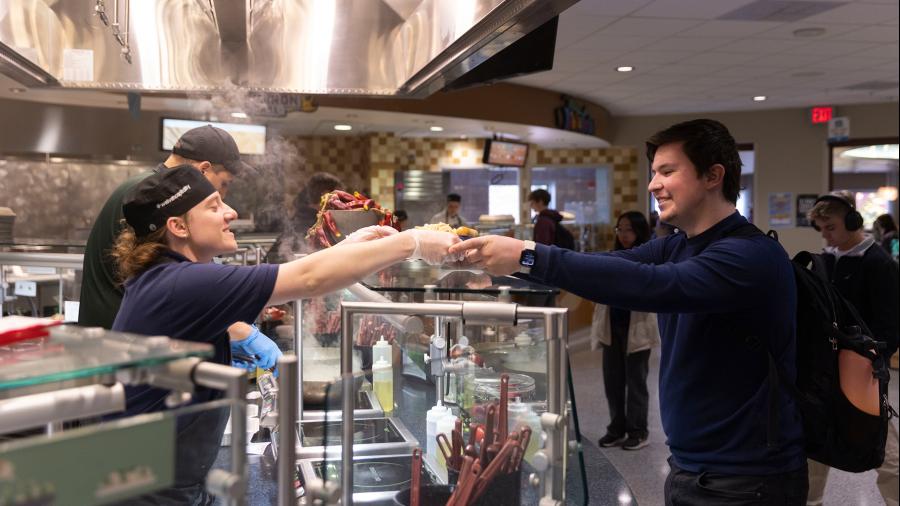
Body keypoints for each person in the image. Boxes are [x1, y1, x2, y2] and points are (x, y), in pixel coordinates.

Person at [450, 119, 808, 504]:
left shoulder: (751, 256)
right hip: (692, 466)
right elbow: (607, 268)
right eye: (654, 172)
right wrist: (497, 258)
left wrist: (528, 255)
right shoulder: (678, 245)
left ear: (713, 176)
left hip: (747, 479)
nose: (653, 184)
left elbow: (653, 286)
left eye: (668, 171)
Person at [109, 167, 460, 504]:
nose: (230, 213)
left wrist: (346, 247)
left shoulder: (167, 278)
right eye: (214, 207)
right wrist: (413, 243)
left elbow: (306, 273)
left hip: (163, 483)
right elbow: (307, 279)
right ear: (177, 226)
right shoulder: (182, 284)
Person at [79, 124, 248, 330]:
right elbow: (173, 283)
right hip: (122, 341)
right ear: (203, 170)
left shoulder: (152, 189)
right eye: (224, 184)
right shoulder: (153, 197)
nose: (224, 197)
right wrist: (235, 327)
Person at [806, 192, 899, 506]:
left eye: (830, 226)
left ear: (852, 222)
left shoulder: (878, 262)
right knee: (816, 443)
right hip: (825, 367)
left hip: (862, 367)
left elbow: (891, 322)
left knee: (884, 446)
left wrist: (874, 361)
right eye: (821, 229)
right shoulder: (827, 259)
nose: (826, 235)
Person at [592, 211, 659, 451]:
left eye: (628, 229)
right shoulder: (613, 256)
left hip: (638, 328)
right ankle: (616, 428)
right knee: (613, 380)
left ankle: (638, 431)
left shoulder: (649, 258)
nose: (623, 234)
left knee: (636, 381)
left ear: (640, 231)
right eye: (620, 229)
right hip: (613, 325)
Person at [267, 171, 344, 262]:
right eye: (340, 198)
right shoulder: (313, 226)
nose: (342, 203)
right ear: (325, 196)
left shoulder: (300, 218)